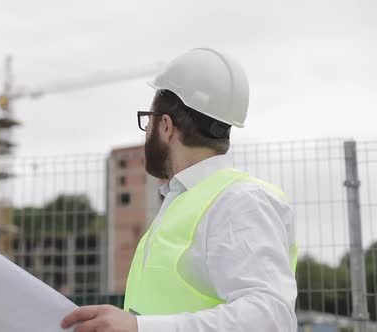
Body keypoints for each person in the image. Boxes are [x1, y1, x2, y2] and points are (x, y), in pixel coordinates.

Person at [61, 48, 298, 332]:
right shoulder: (185, 201)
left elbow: (271, 319)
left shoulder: (239, 201)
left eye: (148, 120)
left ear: (165, 126)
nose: (146, 130)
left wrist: (139, 328)